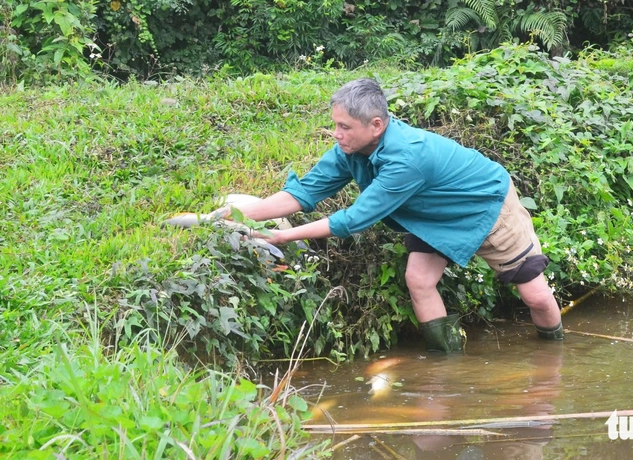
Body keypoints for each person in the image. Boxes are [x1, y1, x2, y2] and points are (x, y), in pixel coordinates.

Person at [210, 78, 564, 352]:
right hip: (431, 213)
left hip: (485, 205)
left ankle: (554, 353)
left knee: (534, 295)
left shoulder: (407, 159)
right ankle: (445, 363)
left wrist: (284, 236)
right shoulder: (348, 150)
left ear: (376, 125)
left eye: (344, 127)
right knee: (419, 279)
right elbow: (302, 194)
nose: (336, 135)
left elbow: (354, 219)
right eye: (335, 125)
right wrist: (237, 213)